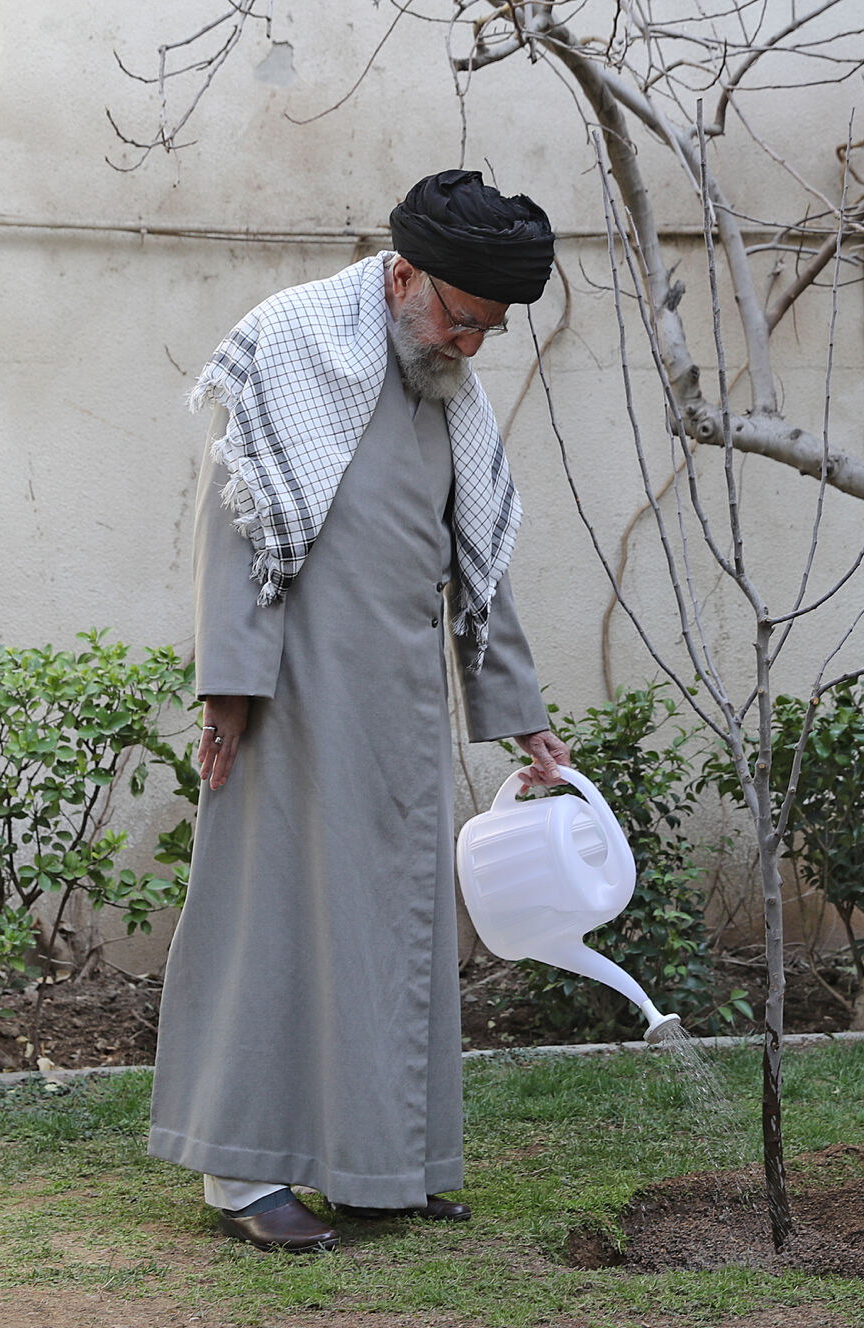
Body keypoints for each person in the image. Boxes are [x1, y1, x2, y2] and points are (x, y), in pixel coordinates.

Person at [147, 170, 571, 1253]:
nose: (469, 347)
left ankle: (384, 1168)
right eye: (459, 320)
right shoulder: (294, 348)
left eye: (486, 331)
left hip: (398, 709)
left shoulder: (445, 394)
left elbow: (475, 562)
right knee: (275, 920)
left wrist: (519, 716)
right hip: (288, 702)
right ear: (403, 276)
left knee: (394, 931)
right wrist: (230, 694)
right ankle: (242, 1179)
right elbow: (237, 531)